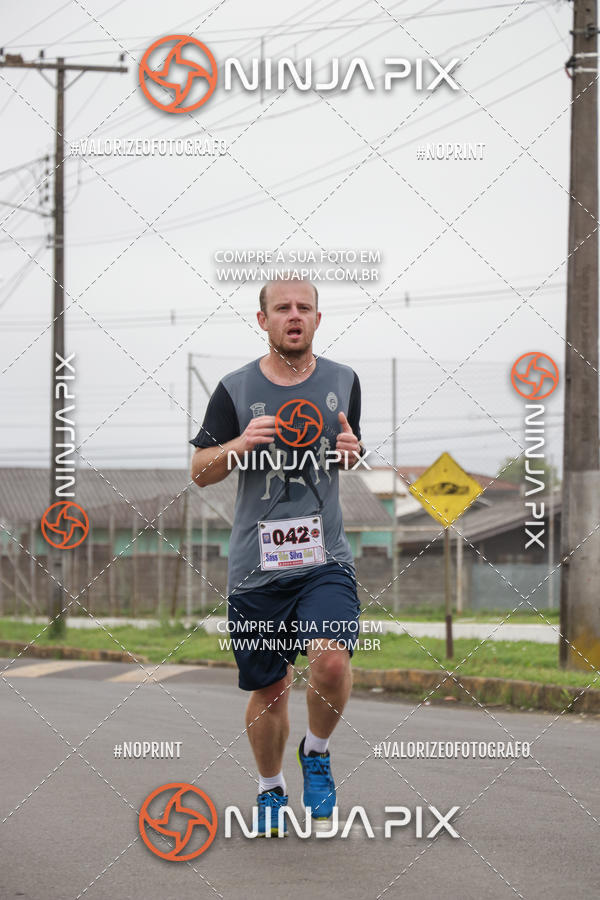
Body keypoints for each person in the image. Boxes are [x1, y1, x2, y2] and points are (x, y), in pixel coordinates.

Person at [190, 276, 364, 836]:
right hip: (256, 570)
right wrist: (238, 446)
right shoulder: (235, 389)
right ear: (262, 320)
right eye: (282, 308)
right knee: (269, 690)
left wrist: (352, 454)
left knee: (331, 659)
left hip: (323, 560)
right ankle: (269, 787)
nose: (294, 316)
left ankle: (316, 752)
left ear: (318, 319)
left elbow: (345, 456)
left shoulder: (343, 381)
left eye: (304, 308)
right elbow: (198, 472)